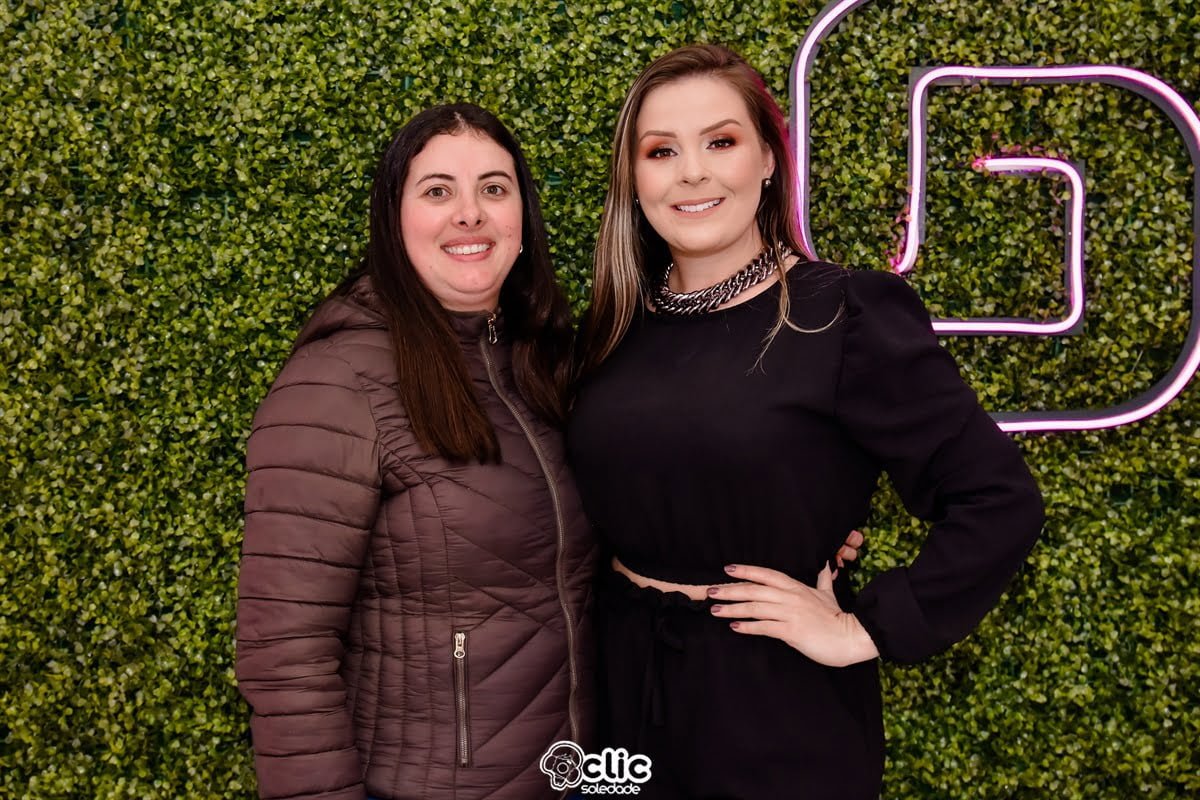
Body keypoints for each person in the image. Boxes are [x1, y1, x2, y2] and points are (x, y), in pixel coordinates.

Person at [567, 44, 1045, 799]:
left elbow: (999, 499)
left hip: (775, 708)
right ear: (634, 178)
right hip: (621, 703)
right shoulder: (612, 327)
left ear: (768, 158)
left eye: (721, 141)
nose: (692, 173)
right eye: (661, 151)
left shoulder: (845, 314)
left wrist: (863, 629)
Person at [235, 103, 597, 800]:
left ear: (523, 216)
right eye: (437, 191)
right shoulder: (338, 380)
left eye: (494, 188)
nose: (470, 213)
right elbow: (284, 653)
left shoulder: (545, 366)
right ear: (394, 220)